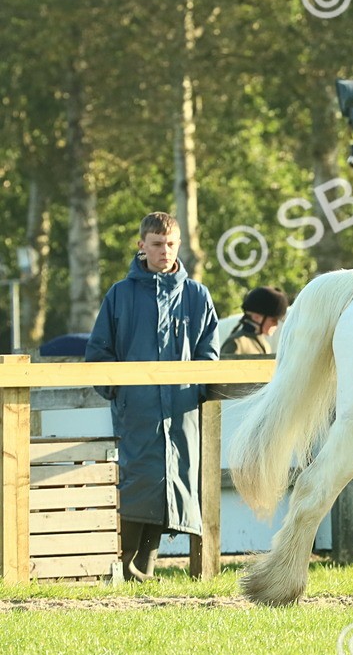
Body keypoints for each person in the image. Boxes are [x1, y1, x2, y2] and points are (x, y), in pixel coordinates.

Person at [85, 212, 220, 582]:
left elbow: (210, 352)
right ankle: (124, 568)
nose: (164, 251)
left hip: (181, 410)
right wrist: (121, 394)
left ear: (179, 245)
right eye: (157, 244)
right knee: (138, 480)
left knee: (174, 483)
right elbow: (98, 353)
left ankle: (143, 570)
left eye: (171, 244)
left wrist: (197, 392)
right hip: (138, 411)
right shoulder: (120, 295)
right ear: (141, 245)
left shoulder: (196, 295)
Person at [221, 287, 288, 356]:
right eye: (273, 320)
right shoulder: (235, 344)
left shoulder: (265, 344)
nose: (276, 324)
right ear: (256, 317)